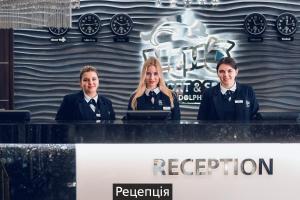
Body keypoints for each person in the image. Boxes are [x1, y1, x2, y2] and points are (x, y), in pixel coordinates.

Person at [197, 57, 259, 121]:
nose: (226, 75)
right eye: (222, 71)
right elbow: (201, 121)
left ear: (236, 72)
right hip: (215, 131)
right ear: (217, 73)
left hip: (243, 131)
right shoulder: (208, 94)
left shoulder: (247, 91)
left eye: (230, 71)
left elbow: (255, 118)